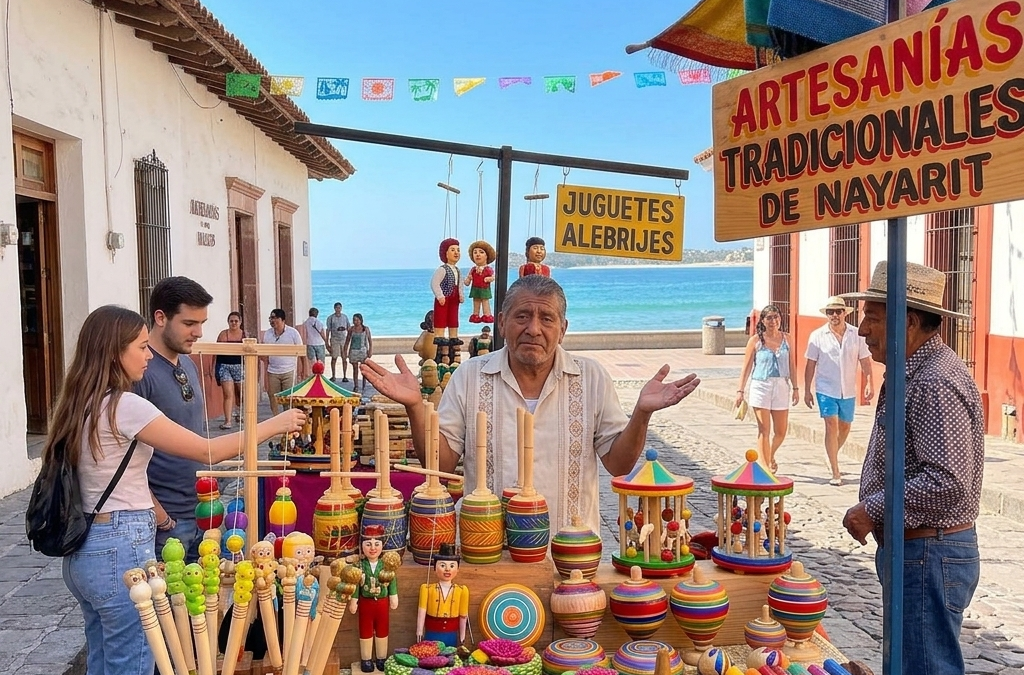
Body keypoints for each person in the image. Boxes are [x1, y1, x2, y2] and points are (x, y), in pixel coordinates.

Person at [51, 304, 304, 675]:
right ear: (113, 352)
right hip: (119, 547)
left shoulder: (79, 403)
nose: (147, 355)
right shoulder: (125, 406)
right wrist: (275, 423)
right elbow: (207, 450)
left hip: (86, 549)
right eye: (139, 347)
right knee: (133, 661)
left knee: (104, 658)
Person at [362, 275, 701, 532]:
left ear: (563, 329)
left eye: (547, 318)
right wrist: (415, 407)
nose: (534, 329)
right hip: (489, 548)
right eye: (522, 316)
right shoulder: (469, 376)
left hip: (570, 550)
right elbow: (443, 463)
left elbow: (618, 465)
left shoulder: (592, 377)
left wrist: (641, 414)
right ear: (502, 323)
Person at [840, 261, 983, 675]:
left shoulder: (934, 379)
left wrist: (874, 508)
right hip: (918, 550)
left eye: (873, 317)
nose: (863, 330)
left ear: (910, 321)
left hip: (928, 552)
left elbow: (948, 480)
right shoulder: (913, 371)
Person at [136, 277, 213, 561]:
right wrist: (162, 518)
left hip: (200, 513)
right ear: (160, 317)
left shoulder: (188, 364)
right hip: (166, 523)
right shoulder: (141, 372)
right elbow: (125, 455)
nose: (199, 332)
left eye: (202, 323)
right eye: (189, 323)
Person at [803, 296, 874, 486]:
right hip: (825, 388)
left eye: (838, 311)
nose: (834, 315)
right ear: (826, 315)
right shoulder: (817, 336)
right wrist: (807, 390)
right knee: (831, 425)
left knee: (845, 426)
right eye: (830, 312)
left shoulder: (856, 334)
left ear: (844, 313)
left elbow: (865, 360)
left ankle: (830, 454)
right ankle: (835, 471)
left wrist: (869, 382)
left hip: (848, 389)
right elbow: (810, 364)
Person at [735, 304, 798, 473]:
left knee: (781, 431)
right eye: (769, 317)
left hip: (782, 386)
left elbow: (792, 365)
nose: (773, 321)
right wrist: (740, 391)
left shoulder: (788, 339)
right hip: (761, 385)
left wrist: (796, 387)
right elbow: (746, 367)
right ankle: (765, 467)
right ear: (763, 320)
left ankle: (769, 455)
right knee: (764, 429)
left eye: (776, 317)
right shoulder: (755, 341)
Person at [348, 523, 399, 672]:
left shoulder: (386, 565)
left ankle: (381, 658)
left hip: (382, 603)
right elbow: (356, 584)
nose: (372, 548)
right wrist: (354, 600)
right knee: (365, 631)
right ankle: (366, 660)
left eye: (376, 544)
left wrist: (393, 596)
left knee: (383, 629)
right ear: (362, 546)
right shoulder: (360, 566)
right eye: (368, 544)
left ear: (382, 546)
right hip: (366, 603)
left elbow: (392, 581)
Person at [415, 543, 468, 647]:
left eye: (452, 566)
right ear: (435, 568)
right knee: (431, 657)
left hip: (451, 634)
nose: (447, 569)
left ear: (457, 569)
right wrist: (419, 631)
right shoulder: (426, 589)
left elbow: (463, 616)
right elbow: (422, 612)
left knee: (450, 655)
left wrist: (462, 637)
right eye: (442, 565)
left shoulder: (462, 591)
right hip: (432, 633)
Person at [262, 308, 303, 415]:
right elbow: (264, 355)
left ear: (282, 319)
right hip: (273, 371)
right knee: (272, 397)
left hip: (289, 371)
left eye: (274, 318)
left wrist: (303, 371)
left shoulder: (293, 333)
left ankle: (288, 420)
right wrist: (265, 374)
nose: (272, 320)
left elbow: (302, 352)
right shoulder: (267, 334)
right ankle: (276, 419)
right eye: (270, 318)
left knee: (288, 398)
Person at [430, 238, 464, 350]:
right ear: (445, 253)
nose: (456, 253)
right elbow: (435, 283)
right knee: (441, 316)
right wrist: (439, 295)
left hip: (454, 298)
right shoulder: (442, 269)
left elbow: (460, 284)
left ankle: (453, 336)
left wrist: (461, 294)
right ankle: (439, 335)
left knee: (453, 316)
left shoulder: (458, 270)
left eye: (458, 250)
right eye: (453, 250)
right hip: (444, 297)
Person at [215, 311, 246, 430]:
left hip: (240, 366)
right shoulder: (223, 335)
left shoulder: (244, 335)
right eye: (231, 321)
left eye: (236, 321)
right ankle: (228, 421)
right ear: (228, 322)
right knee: (228, 394)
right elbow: (216, 352)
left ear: (240, 322)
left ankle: (240, 413)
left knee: (241, 394)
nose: (233, 323)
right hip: (225, 366)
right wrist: (214, 367)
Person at [464, 240, 496, 323]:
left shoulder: (487, 269)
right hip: (475, 288)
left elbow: (493, 276)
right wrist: (468, 280)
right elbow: (469, 277)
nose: (477, 254)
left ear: (486, 256)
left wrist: (489, 279)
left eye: (481, 252)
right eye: (475, 252)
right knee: (476, 301)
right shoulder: (473, 269)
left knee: (485, 301)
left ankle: (487, 315)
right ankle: (476, 314)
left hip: (484, 288)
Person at [345, 313, 372, 392]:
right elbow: (347, 341)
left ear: (361, 320)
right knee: (355, 369)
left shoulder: (365, 329)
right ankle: (356, 385)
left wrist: (370, 350)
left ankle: (364, 384)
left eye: (357, 320)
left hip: (363, 351)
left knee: (364, 368)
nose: (355, 322)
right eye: (354, 320)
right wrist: (345, 351)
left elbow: (369, 341)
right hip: (353, 351)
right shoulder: (351, 329)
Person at [327, 302, 351, 381]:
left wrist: (349, 338)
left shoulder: (345, 317)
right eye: (337, 308)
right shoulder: (331, 318)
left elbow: (348, 328)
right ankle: (333, 376)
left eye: (339, 308)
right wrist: (327, 342)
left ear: (341, 308)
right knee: (334, 358)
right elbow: (328, 330)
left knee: (344, 358)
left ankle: (345, 376)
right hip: (334, 339)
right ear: (334, 308)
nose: (338, 309)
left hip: (343, 339)